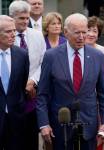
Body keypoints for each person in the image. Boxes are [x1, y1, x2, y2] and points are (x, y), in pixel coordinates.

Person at [36, 13, 104, 150]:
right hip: (60, 126)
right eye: (77, 33)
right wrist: (43, 124)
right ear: (65, 32)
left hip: (88, 125)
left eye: (84, 32)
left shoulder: (98, 56)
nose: (82, 37)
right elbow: (42, 94)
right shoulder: (51, 56)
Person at [9, 1, 46, 150]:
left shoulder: (37, 35)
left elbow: (44, 62)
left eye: (27, 18)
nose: (25, 21)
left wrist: (32, 81)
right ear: (12, 18)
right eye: (21, 18)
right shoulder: (6, 37)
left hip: (32, 93)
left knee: (31, 136)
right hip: (11, 95)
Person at [0, 15, 29, 150]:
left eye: (14, 31)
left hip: (16, 116)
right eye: (8, 31)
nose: (13, 34)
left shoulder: (22, 54)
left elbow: (22, 85)